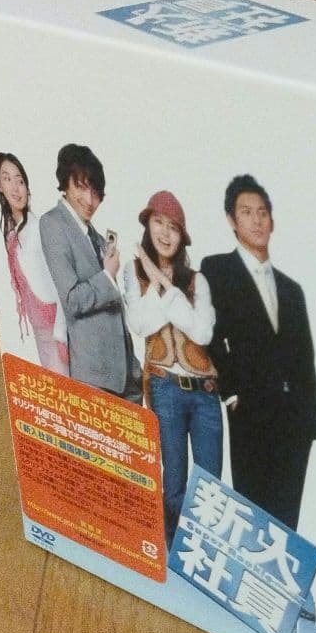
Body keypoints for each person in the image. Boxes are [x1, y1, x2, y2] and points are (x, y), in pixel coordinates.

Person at [201, 174, 316, 530]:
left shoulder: (292, 290)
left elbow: (305, 358)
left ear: (272, 220)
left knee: (286, 523)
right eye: (246, 212)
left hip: (294, 422)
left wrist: (310, 422)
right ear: (231, 220)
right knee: (252, 516)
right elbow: (209, 334)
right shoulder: (217, 269)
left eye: (262, 212)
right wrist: (231, 393)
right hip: (249, 410)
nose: (256, 220)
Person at [123, 191, 222, 546]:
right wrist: (154, 280)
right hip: (165, 388)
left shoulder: (197, 280)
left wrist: (164, 282)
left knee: (211, 489)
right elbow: (140, 324)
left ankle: (203, 558)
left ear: (182, 236)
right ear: (148, 226)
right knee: (175, 483)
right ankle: (176, 558)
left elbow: (203, 333)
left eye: (173, 227)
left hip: (206, 393)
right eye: (158, 223)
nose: (165, 233)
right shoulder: (133, 272)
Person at [39, 143, 142, 401]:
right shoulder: (53, 223)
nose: (89, 200)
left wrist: (134, 370)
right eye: (81, 187)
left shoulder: (96, 237)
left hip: (126, 378)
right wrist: (107, 276)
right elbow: (72, 300)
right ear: (65, 183)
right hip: (94, 375)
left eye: (96, 193)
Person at [0, 152, 68, 375]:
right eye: (7, 179)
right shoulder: (14, 234)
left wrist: (61, 332)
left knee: (64, 384)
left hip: (55, 325)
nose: (16, 188)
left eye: (20, 181)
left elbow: (60, 281)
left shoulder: (39, 228)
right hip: (40, 327)